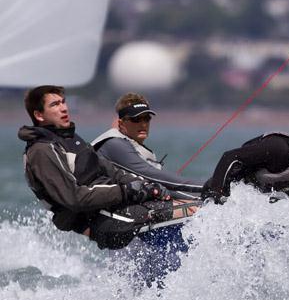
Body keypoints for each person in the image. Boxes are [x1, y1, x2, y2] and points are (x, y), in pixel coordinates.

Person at [18, 86, 196, 250]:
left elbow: (111, 170)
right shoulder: (42, 151)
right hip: (104, 221)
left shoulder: (70, 139)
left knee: (198, 207)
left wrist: (144, 186)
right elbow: (74, 198)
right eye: (55, 105)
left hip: (116, 209)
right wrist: (127, 191)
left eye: (63, 102)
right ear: (39, 115)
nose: (64, 108)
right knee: (198, 212)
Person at [92, 93, 204, 198]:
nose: (143, 124)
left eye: (147, 118)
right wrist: (204, 186)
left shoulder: (129, 142)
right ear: (121, 123)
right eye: (136, 119)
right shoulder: (114, 144)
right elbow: (152, 176)